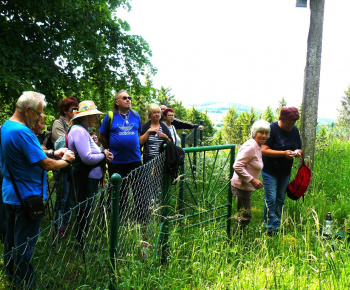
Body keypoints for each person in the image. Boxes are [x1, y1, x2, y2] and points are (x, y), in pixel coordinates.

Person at [0, 91, 75, 288]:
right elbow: (46, 165)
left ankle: (11, 276)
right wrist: (65, 161)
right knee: (25, 244)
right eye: (38, 113)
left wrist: (52, 151)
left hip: (10, 193)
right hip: (27, 196)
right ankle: (25, 282)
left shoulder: (7, 127)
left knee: (10, 239)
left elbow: (29, 151)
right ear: (27, 110)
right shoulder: (23, 132)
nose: (39, 118)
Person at [68, 100, 113, 245]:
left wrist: (102, 153)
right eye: (94, 116)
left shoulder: (82, 130)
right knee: (84, 208)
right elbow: (87, 157)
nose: (96, 119)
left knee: (86, 208)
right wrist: (103, 156)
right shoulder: (79, 131)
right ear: (87, 117)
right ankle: (80, 241)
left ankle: (82, 239)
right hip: (85, 177)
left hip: (89, 177)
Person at [98, 90, 143, 221]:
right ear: (117, 102)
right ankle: (116, 219)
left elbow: (138, 135)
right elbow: (101, 136)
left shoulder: (136, 115)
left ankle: (142, 219)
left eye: (129, 98)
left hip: (135, 160)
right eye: (124, 98)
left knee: (138, 190)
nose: (128, 100)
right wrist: (111, 148)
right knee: (118, 192)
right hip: (116, 162)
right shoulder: (111, 116)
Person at [261, 107, 303, 236]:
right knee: (271, 199)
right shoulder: (272, 129)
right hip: (270, 171)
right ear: (281, 119)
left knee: (280, 199)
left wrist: (298, 153)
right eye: (288, 123)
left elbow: (299, 147)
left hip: (285, 172)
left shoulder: (294, 130)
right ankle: (268, 228)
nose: (291, 126)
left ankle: (276, 226)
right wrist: (283, 153)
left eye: (293, 123)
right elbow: (263, 150)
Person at [231, 120, 270, 233]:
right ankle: (235, 243)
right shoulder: (250, 146)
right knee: (244, 217)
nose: (264, 135)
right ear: (254, 133)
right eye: (261, 132)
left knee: (244, 216)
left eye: (266, 133)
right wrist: (252, 180)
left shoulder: (258, 146)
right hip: (241, 186)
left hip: (245, 187)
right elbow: (237, 166)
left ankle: (237, 240)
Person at [51, 96, 79, 236]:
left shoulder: (72, 123)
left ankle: (66, 223)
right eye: (73, 109)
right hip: (61, 166)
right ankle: (58, 226)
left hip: (71, 165)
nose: (76, 111)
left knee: (69, 197)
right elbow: (62, 142)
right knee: (62, 197)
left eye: (77, 109)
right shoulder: (58, 123)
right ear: (65, 110)